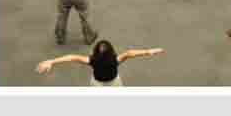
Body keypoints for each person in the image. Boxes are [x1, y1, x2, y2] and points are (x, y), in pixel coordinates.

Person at [36, 42, 164, 87]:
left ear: (95, 51)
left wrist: (52, 61)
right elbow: (130, 53)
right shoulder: (115, 59)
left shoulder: (92, 60)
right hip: (114, 83)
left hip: (97, 84)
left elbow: (71, 57)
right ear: (111, 51)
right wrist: (148, 51)